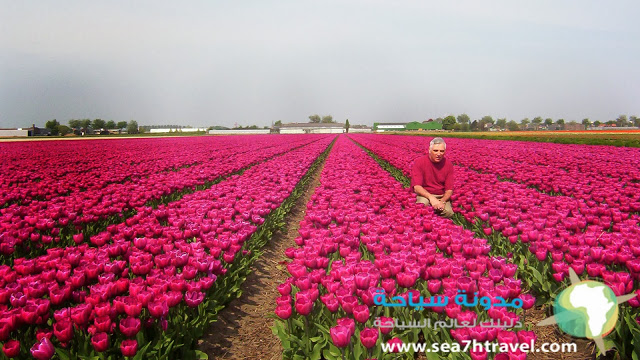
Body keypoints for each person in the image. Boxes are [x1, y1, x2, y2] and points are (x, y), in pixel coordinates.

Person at [410, 137, 454, 218]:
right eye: (435, 150)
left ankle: (438, 225)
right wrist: (431, 198)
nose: (439, 153)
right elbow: (417, 187)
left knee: (448, 212)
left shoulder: (448, 165)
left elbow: (449, 189)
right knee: (422, 207)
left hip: (441, 196)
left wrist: (442, 201)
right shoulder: (420, 162)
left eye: (442, 151)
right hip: (424, 194)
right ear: (429, 150)